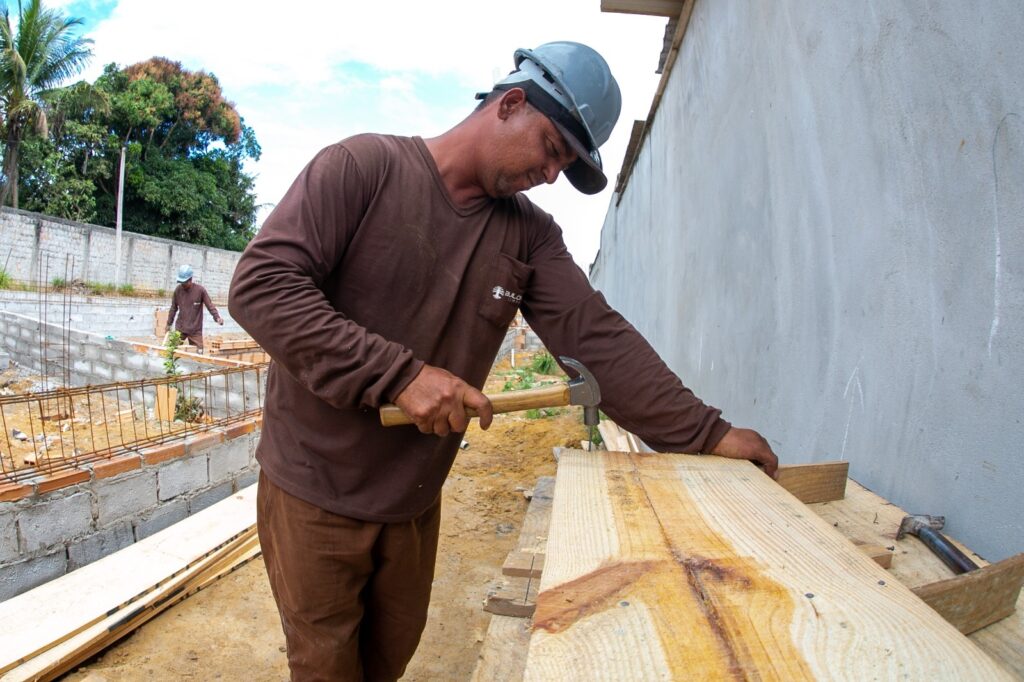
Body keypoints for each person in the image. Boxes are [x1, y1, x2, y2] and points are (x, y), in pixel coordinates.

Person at [229, 41, 778, 681]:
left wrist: (708, 433)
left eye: (565, 164)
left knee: (387, 660)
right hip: (314, 488)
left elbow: (595, 336)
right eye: (551, 148)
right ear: (511, 103)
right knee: (326, 668)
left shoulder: (529, 235)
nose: (550, 174)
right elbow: (262, 287)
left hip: (410, 500)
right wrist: (400, 376)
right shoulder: (362, 169)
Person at [166, 264, 223, 352]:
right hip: (180, 329)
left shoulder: (200, 291)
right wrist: (169, 324)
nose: (183, 284)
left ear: (190, 279)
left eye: (185, 282)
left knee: (198, 354)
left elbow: (210, 305)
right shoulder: (178, 291)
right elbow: (173, 308)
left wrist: (217, 317)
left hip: (195, 330)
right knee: (171, 352)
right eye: (181, 282)